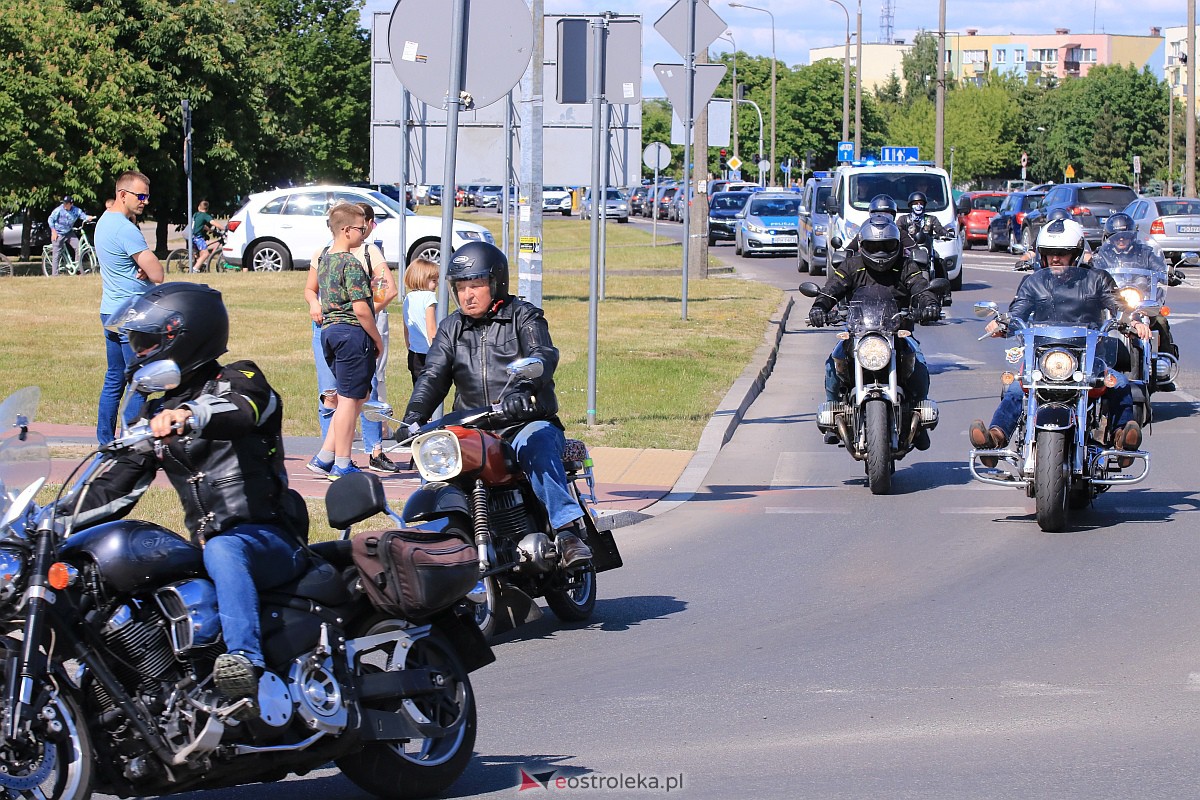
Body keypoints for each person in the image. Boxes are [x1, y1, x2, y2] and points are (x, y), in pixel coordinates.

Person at [74, 282, 307, 716]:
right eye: (136, 342)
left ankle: (246, 667)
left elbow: (243, 412)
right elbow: (114, 487)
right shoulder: (155, 413)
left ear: (185, 337)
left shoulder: (241, 378)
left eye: (147, 342)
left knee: (224, 548)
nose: (140, 352)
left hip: (268, 537)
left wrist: (191, 415)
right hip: (207, 545)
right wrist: (52, 521)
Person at [399, 241, 593, 568]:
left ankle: (567, 531)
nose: (467, 295)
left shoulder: (523, 316)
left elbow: (542, 355)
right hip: (473, 427)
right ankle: (438, 549)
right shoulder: (451, 328)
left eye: (475, 285)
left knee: (537, 445)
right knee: (436, 462)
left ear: (496, 282)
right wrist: (413, 417)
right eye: (461, 287)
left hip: (523, 421)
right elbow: (432, 376)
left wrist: (523, 390)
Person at [969, 219, 1152, 467]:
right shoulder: (1034, 282)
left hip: (1088, 357)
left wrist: (1134, 321)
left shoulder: (1097, 279)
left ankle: (1122, 439)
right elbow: (1017, 312)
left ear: (1075, 254)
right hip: (1044, 357)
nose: (1055, 259)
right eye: (1050, 253)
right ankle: (995, 439)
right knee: (1016, 386)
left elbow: (1118, 305)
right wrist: (1001, 324)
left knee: (1118, 383)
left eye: (1062, 253)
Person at [807, 219, 941, 448]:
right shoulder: (852, 266)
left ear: (897, 245)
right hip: (859, 332)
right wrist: (819, 308)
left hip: (897, 332)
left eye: (887, 246)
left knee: (918, 363)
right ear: (862, 245)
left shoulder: (906, 266)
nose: (880, 252)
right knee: (833, 364)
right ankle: (833, 414)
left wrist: (930, 304)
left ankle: (917, 418)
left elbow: (920, 287)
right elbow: (832, 289)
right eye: (874, 246)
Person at [304, 204, 399, 473]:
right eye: (361, 228)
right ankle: (342, 463)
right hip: (352, 333)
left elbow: (314, 291)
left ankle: (325, 456)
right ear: (346, 230)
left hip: (330, 332)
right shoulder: (352, 263)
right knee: (348, 399)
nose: (364, 232)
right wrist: (376, 339)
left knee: (359, 395)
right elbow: (361, 309)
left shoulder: (325, 260)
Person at [94, 170, 164, 444]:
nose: (145, 201)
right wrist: (147, 268)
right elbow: (158, 274)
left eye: (147, 196)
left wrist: (141, 267)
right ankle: (130, 444)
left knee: (114, 379)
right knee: (140, 382)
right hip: (132, 316)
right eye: (141, 196)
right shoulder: (126, 230)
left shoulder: (104, 221)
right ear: (123, 195)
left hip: (110, 311)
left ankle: (105, 443)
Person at [1094, 213, 1179, 388]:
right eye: (1116, 236)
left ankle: (1165, 365)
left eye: (1125, 236)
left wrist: (1169, 273)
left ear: (1132, 236)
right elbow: (1092, 270)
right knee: (1095, 324)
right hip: (1114, 301)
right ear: (1108, 237)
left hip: (1141, 301)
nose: (1121, 240)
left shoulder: (1144, 253)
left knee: (1161, 321)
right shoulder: (1101, 255)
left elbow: (1159, 267)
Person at [402, 257, 440, 386]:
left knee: (418, 391)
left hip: (414, 354)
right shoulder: (429, 297)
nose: (437, 284)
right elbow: (431, 328)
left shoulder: (408, 298)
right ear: (422, 279)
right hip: (429, 353)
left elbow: (406, 328)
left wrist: (409, 347)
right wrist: (438, 353)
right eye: (434, 280)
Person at [47, 195, 92, 275]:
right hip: (58, 233)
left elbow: (83, 216)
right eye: (64, 203)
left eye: (66, 203)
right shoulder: (59, 210)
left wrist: (88, 218)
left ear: (71, 204)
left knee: (78, 247)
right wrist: (53, 231)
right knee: (56, 253)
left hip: (69, 232)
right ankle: (54, 275)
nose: (64, 205)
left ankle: (78, 269)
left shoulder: (76, 210)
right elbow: (50, 219)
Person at [189, 199, 223, 273]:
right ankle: (195, 269)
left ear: (198, 207)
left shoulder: (196, 214)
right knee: (206, 253)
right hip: (197, 237)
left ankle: (199, 267)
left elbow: (202, 226)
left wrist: (211, 231)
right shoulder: (205, 215)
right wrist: (224, 228)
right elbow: (213, 222)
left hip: (191, 236)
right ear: (207, 209)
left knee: (200, 253)